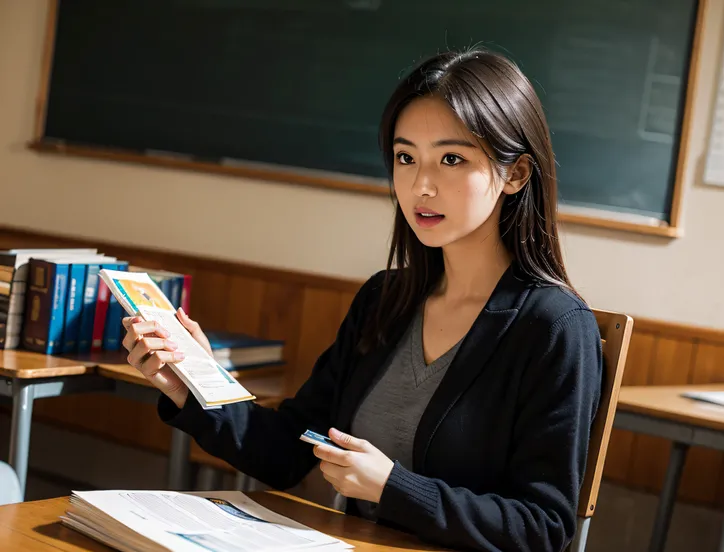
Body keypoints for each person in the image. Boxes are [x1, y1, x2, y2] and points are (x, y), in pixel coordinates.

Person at [122, 47, 603, 552]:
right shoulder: (385, 299)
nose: (420, 184)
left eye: (452, 159)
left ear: (516, 174)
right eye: (405, 157)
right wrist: (192, 383)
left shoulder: (554, 327)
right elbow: (287, 451)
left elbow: (542, 528)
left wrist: (395, 488)